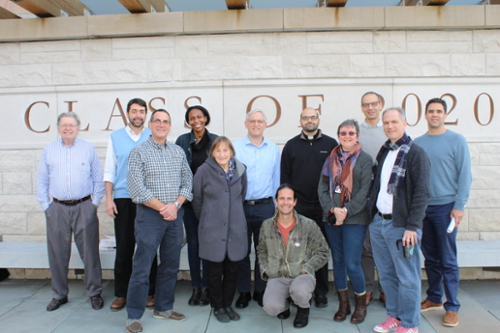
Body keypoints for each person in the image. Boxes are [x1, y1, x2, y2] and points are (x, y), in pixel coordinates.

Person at [125, 109, 193, 333]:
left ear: (170, 126)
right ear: (150, 124)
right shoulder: (138, 152)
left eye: (166, 122)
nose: (162, 125)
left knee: (170, 265)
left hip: (175, 215)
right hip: (150, 217)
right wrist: (164, 207)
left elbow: (187, 182)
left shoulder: (177, 151)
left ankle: (163, 308)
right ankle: (133, 315)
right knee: (142, 266)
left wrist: (176, 205)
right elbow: (137, 189)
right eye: (158, 121)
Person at [367, 107, 430, 333]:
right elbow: (377, 187)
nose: (390, 126)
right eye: (386, 122)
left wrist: (412, 227)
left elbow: (422, 193)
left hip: (402, 227)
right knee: (386, 275)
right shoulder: (385, 151)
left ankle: (410, 324)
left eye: (394, 121)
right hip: (379, 224)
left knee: (408, 277)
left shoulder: (416, 153)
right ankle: (393, 316)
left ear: (404, 123)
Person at [36, 112, 105, 312]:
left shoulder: (87, 148)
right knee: (57, 253)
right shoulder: (49, 150)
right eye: (64, 125)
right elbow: (42, 180)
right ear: (58, 128)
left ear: (78, 127)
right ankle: (59, 295)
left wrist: (94, 204)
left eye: (71, 125)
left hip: (84, 206)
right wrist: (46, 207)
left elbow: (98, 178)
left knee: (90, 252)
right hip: (57, 208)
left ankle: (94, 293)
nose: (68, 128)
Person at [415, 97, 472, 328]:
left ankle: (452, 307)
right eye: (431, 111)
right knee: (430, 257)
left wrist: (459, 206)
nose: (435, 114)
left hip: (447, 209)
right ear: (425, 115)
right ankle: (434, 297)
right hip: (423, 209)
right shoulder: (418, 143)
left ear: (445, 115)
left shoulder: (456, 140)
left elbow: (465, 175)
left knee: (448, 259)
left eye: (439, 111)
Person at [280, 107, 337, 308]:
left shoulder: (331, 144)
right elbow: (285, 178)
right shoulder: (291, 145)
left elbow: (337, 177)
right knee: (297, 251)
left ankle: (320, 291)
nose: (309, 120)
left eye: (313, 117)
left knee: (320, 251)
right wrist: (287, 207)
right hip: (299, 209)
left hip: (323, 208)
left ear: (318, 119)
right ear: (301, 121)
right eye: (306, 117)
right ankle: (299, 292)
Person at [104, 98, 157, 311]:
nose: (138, 115)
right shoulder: (116, 137)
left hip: (148, 200)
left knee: (148, 247)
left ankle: (149, 291)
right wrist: (109, 199)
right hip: (124, 199)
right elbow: (109, 170)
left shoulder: (152, 136)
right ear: (127, 114)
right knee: (124, 248)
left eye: (141, 111)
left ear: (145, 114)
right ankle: (122, 293)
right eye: (134, 111)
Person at [318, 119, 373, 324]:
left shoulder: (365, 160)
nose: (347, 136)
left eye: (351, 133)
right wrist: (332, 209)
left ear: (357, 136)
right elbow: (322, 188)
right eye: (343, 133)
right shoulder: (330, 158)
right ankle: (344, 304)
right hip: (331, 218)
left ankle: (360, 304)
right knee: (338, 262)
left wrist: (345, 211)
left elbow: (365, 192)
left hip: (355, 220)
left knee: (352, 262)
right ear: (339, 135)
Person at [257, 184, 330, 329]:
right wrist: (266, 270)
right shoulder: (266, 226)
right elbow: (261, 250)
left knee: (299, 291)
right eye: (282, 199)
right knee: (271, 308)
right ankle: (284, 306)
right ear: (276, 201)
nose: (285, 202)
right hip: (278, 275)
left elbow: (323, 252)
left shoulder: (308, 225)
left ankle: (303, 308)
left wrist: (307, 268)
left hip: (301, 275)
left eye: (289, 199)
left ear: (295, 202)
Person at [192, 136, 248, 323]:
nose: (222, 154)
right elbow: (197, 200)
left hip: (235, 229)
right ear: (212, 152)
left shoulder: (240, 170)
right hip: (213, 229)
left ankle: (227, 304)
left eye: (225, 150)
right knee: (215, 272)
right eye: (218, 150)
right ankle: (217, 306)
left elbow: (242, 195)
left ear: (231, 151)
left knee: (232, 270)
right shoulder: (203, 171)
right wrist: (208, 219)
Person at [233, 109, 280, 308]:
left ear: (265, 125)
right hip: (240, 206)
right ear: (246, 124)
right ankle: (243, 291)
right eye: (252, 121)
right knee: (241, 251)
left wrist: (278, 205)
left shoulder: (273, 148)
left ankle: (261, 290)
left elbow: (276, 177)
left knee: (264, 251)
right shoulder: (235, 147)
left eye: (260, 121)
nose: (256, 124)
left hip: (265, 206)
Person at [175, 105, 218, 306]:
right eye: (191, 118)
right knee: (193, 244)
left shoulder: (216, 140)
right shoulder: (182, 141)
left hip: (210, 203)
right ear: (188, 121)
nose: (196, 121)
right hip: (189, 202)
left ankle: (208, 287)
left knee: (208, 244)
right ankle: (196, 287)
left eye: (199, 117)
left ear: (206, 118)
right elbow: (176, 170)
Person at [358, 91, 387, 306]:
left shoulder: (389, 129)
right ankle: (367, 288)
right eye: (366, 104)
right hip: (364, 198)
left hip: (387, 197)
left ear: (380, 105)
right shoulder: (357, 132)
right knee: (366, 246)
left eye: (374, 104)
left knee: (384, 246)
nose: (370, 108)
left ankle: (386, 289)